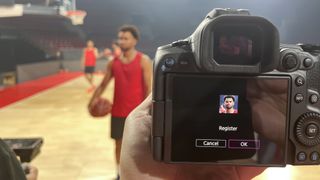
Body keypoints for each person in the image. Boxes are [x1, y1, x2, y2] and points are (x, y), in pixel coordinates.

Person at [88, 25, 152, 178]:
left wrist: (149, 110)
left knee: (140, 147)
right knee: (118, 144)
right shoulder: (113, 62)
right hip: (117, 111)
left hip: (137, 113)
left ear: (134, 40)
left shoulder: (143, 60)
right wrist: (92, 101)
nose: (121, 41)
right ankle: (119, 174)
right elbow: (103, 84)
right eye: (120, 38)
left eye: (125, 38)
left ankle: (138, 174)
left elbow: (149, 88)